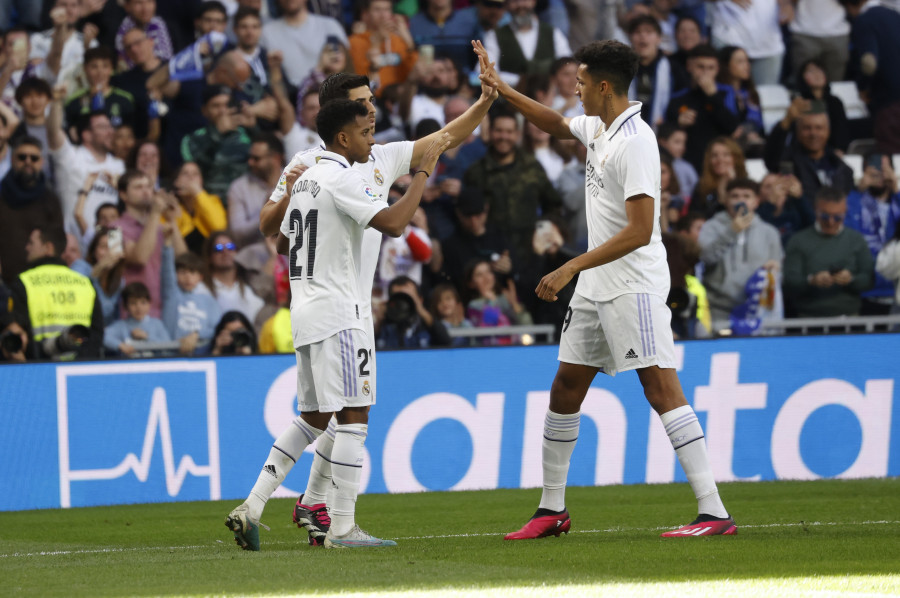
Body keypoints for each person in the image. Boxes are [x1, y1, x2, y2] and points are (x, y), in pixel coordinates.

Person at [475, 38, 735, 538]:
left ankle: (714, 511)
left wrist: (571, 265)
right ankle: (552, 510)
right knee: (566, 386)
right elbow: (553, 123)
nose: (572, 90)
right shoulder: (599, 126)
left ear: (603, 86)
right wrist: (501, 90)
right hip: (597, 286)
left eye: (578, 82)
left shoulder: (636, 141)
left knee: (660, 388)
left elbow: (640, 230)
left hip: (633, 285)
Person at [257, 70, 498, 547]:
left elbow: (444, 138)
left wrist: (487, 100)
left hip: (357, 303)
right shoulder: (309, 162)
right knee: (346, 411)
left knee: (337, 409)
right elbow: (269, 225)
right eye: (362, 104)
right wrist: (289, 189)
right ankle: (326, 514)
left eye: (371, 102)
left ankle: (307, 502)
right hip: (333, 303)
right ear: (338, 115)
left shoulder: (379, 154)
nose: (373, 110)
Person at [224, 99, 451, 550]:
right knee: (354, 416)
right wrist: (422, 172)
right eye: (365, 132)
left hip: (304, 312)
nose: (372, 139)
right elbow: (395, 223)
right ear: (342, 138)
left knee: (312, 418)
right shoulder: (342, 176)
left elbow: (283, 240)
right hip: (339, 311)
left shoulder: (304, 180)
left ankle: (251, 505)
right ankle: (343, 529)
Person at [463, 106, 563, 264]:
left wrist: (544, 231)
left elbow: (554, 205)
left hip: (531, 257)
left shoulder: (533, 167)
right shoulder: (475, 173)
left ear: (517, 135)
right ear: (489, 132)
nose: (504, 136)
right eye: (499, 131)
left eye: (509, 132)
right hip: (492, 257)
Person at [698, 178, 783, 332]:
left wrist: (775, 270)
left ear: (756, 201)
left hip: (756, 312)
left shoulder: (770, 232)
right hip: (718, 310)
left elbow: (778, 272)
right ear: (725, 200)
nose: (740, 200)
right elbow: (705, 258)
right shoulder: (711, 227)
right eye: (735, 196)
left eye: (746, 196)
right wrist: (731, 231)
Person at [9, 225, 104, 360]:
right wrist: (81, 362)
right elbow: (97, 333)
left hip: (39, 368)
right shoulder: (84, 283)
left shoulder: (24, 282)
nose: (27, 248)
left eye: (31, 243)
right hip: (80, 368)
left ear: (48, 248)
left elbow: (18, 334)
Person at [783, 187, 874, 317]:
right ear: (815, 210)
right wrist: (811, 281)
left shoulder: (856, 240)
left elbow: (868, 280)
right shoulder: (798, 241)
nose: (831, 222)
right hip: (809, 318)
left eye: (837, 217)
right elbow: (789, 283)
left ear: (845, 212)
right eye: (825, 216)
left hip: (849, 318)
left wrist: (850, 279)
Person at [764, 100, 854, 209]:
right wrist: (786, 123)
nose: (813, 134)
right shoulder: (788, 162)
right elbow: (771, 159)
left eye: (819, 128)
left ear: (828, 132)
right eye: (807, 128)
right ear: (797, 131)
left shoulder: (842, 168)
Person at [664, 44, 740, 172]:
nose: (705, 72)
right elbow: (666, 132)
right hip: (687, 163)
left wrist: (713, 95)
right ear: (689, 66)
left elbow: (732, 127)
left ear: (717, 69)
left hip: (718, 163)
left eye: (711, 68)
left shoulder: (726, 93)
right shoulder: (677, 97)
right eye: (700, 67)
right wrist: (678, 123)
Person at [0, 136, 64, 286]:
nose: (28, 161)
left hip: (39, 282)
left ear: (41, 162)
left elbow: (57, 241)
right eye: (22, 157)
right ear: (12, 160)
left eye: (34, 158)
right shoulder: (0, 195)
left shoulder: (51, 199)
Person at [844, 154, 900, 315]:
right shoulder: (855, 201)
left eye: (884, 171)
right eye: (873, 171)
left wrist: (896, 189)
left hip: (896, 288)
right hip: (866, 289)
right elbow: (844, 230)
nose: (879, 176)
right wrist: (858, 191)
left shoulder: (897, 200)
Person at [842, 0, 900, 154]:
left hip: (890, 102)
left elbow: (869, 63)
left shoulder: (865, 20)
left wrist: (862, 88)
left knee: (892, 159)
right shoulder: (895, 15)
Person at [481, 0, 572, 88]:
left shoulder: (553, 33)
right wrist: (521, 81)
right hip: (509, 100)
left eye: (524, 0)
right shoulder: (494, 36)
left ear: (533, 1)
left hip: (549, 101)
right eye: (514, 1)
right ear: (506, 5)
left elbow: (568, 67)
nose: (520, 5)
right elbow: (486, 72)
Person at [261, 0, 349, 88]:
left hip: (328, 93)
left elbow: (346, 66)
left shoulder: (330, 25)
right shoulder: (267, 32)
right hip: (287, 95)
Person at [626, 14, 688, 130]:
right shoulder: (620, 67)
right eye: (637, 32)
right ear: (630, 38)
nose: (643, 36)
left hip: (664, 132)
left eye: (649, 32)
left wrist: (674, 116)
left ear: (659, 38)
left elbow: (682, 97)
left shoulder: (672, 67)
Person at [349, 0, 418, 96]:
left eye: (387, 9)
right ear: (366, 14)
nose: (383, 15)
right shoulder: (355, 42)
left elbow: (413, 75)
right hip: (373, 100)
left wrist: (410, 44)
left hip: (400, 99)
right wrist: (376, 43)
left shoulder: (398, 40)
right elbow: (361, 78)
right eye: (377, 10)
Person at [161, 248, 220, 356]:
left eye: (192, 272)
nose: (188, 277)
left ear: (200, 277)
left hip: (202, 354)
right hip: (171, 354)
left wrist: (196, 335)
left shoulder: (210, 301)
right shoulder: (172, 295)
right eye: (182, 272)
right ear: (175, 275)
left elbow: (216, 329)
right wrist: (167, 246)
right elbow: (167, 271)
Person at [377, 275, 452, 348]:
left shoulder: (426, 324)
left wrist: (422, 311)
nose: (403, 304)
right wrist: (378, 321)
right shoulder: (384, 325)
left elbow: (446, 342)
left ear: (420, 299)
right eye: (399, 298)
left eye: (407, 298)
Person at [796, 59, 850, 154]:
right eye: (811, 71)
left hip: (834, 152)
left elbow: (842, 129)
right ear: (802, 77)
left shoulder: (835, 102)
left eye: (820, 70)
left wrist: (839, 149)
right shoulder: (800, 102)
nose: (817, 74)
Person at [103, 281, 171, 356]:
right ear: (126, 306)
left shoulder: (157, 324)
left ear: (149, 304)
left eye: (143, 302)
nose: (139, 307)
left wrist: (147, 337)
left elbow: (168, 345)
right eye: (133, 303)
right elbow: (103, 336)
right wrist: (120, 345)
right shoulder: (121, 326)